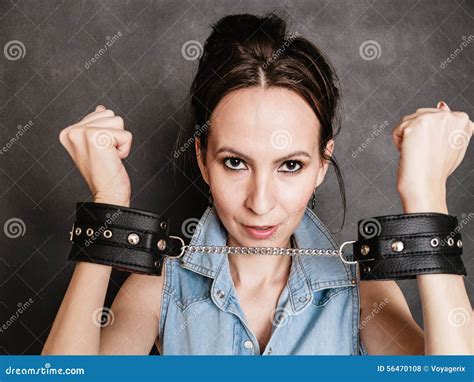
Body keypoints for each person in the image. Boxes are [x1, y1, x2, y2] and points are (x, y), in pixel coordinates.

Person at [43, 13, 472, 355]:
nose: (261, 203)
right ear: (202, 160)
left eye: (289, 165)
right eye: (235, 162)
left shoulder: (364, 293)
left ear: (323, 163)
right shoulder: (159, 289)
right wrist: (108, 210)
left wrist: (426, 198)